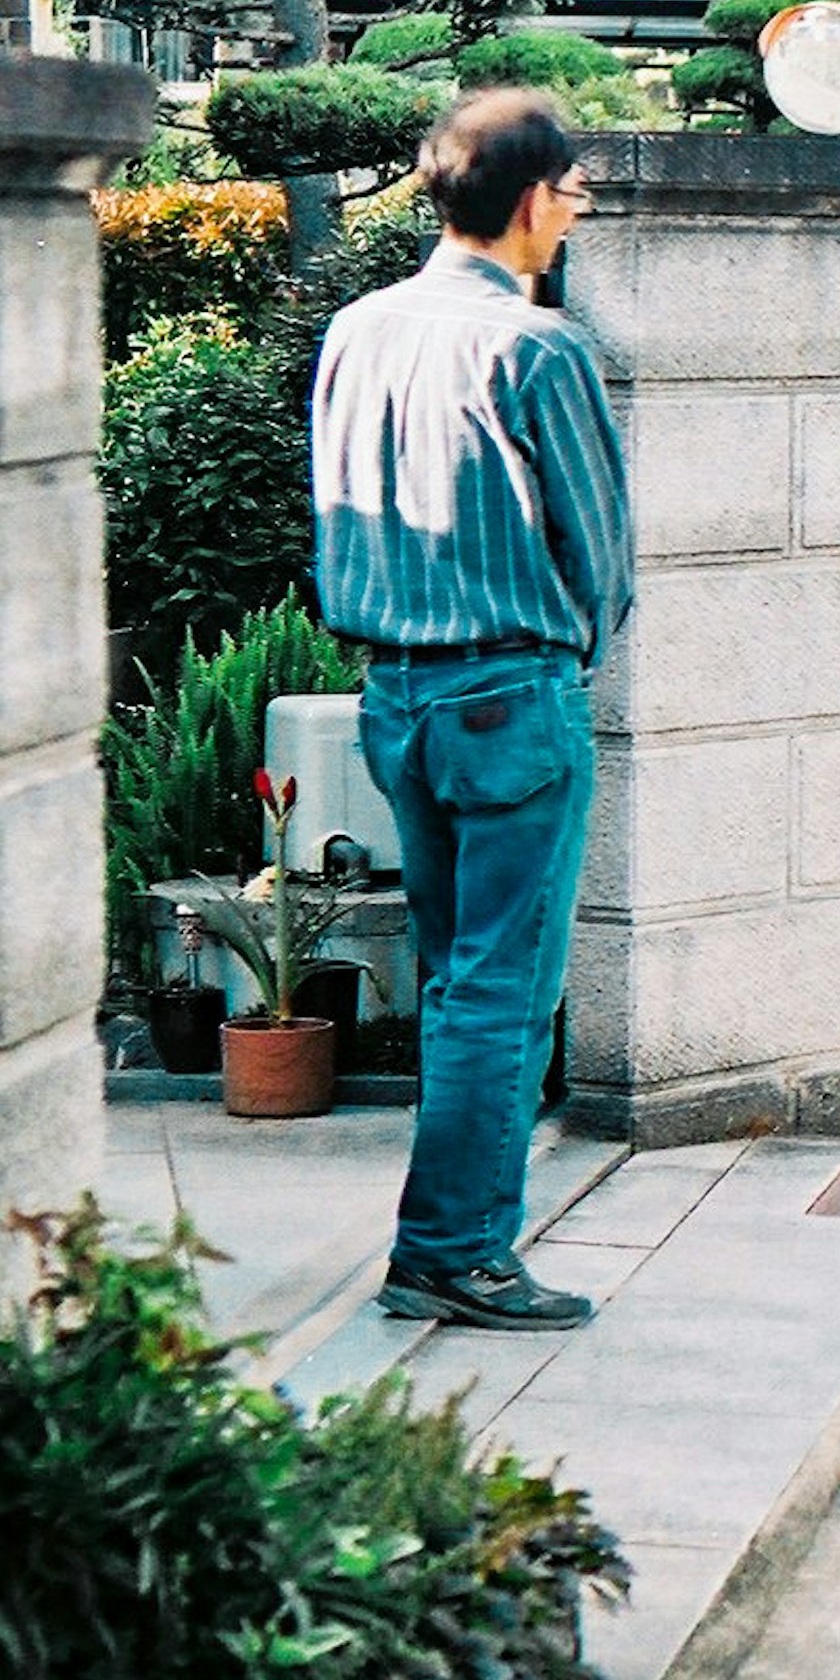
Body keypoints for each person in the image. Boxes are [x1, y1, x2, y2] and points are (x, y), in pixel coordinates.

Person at [310, 89, 633, 1333]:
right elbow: (600, 551)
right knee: (503, 988)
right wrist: (571, 660)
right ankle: (454, 1253)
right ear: (532, 198)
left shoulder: (359, 326)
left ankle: (441, 1246)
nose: (577, 210)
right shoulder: (537, 346)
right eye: (572, 189)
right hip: (509, 692)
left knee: (457, 978)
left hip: (394, 693)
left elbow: (335, 506)